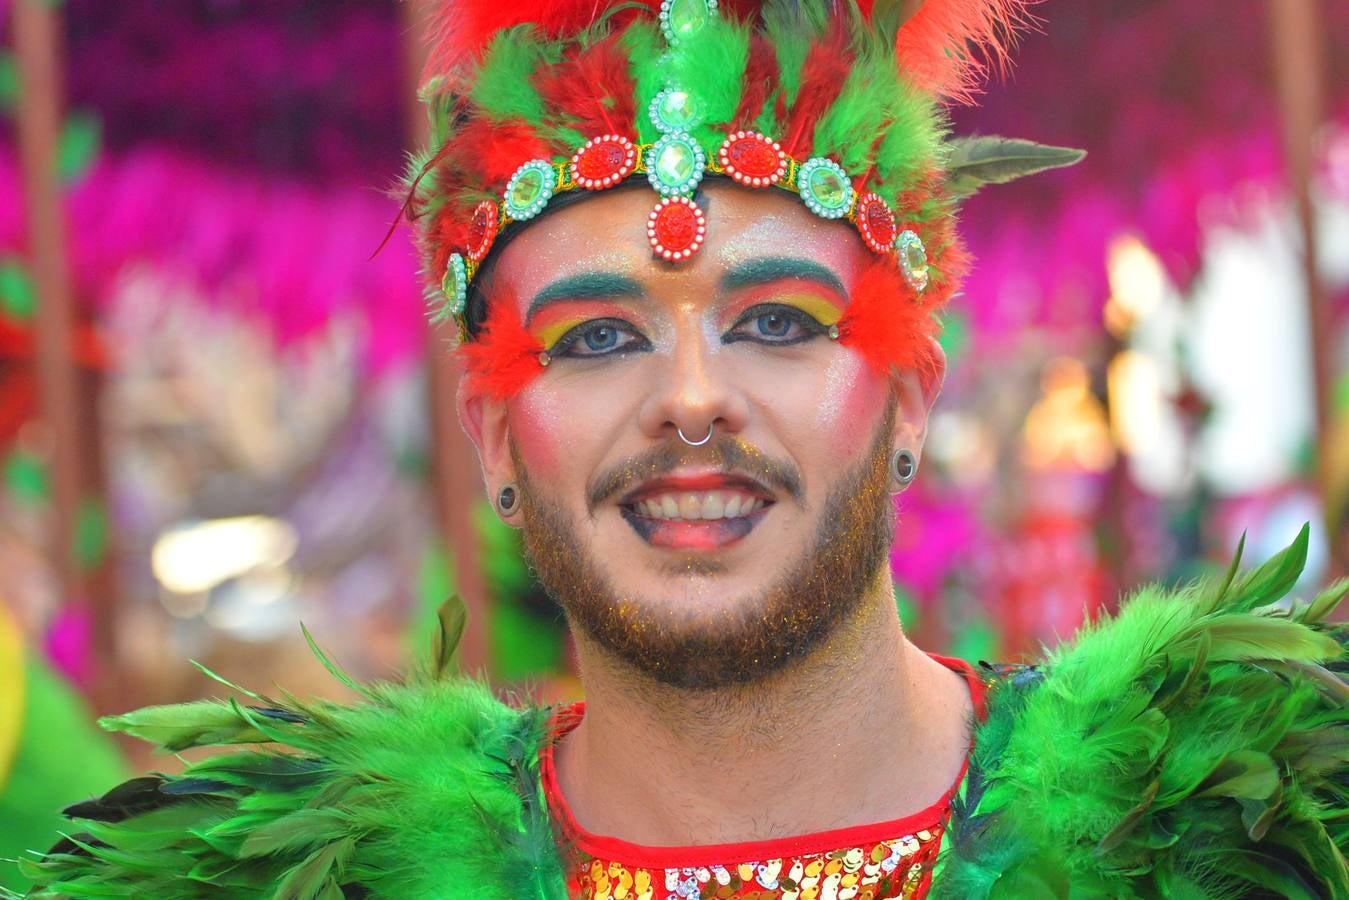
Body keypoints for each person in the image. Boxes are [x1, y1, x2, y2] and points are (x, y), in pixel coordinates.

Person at [13, 1, 1347, 897]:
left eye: (776, 321)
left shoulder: (1227, 834)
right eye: (594, 339)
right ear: (492, 435)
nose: (691, 399)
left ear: (906, 398)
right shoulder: (331, 876)